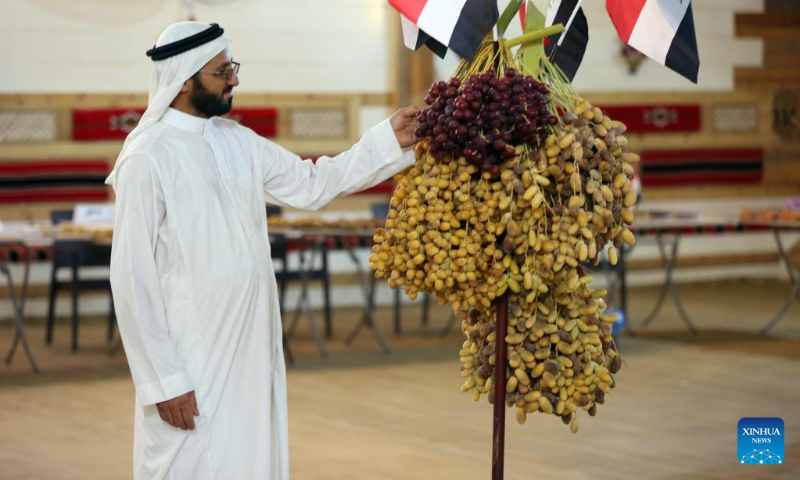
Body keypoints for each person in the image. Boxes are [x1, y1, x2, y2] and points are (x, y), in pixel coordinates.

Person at [107, 21, 418, 479]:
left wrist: (388, 139)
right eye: (222, 71)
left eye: (232, 67)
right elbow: (131, 278)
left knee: (248, 460)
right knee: (188, 464)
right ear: (184, 78)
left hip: (250, 348)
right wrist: (163, 381)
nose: (234, 79)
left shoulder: (238, 141)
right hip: (191, 358)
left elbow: (313, 184)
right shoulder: (146, 157)